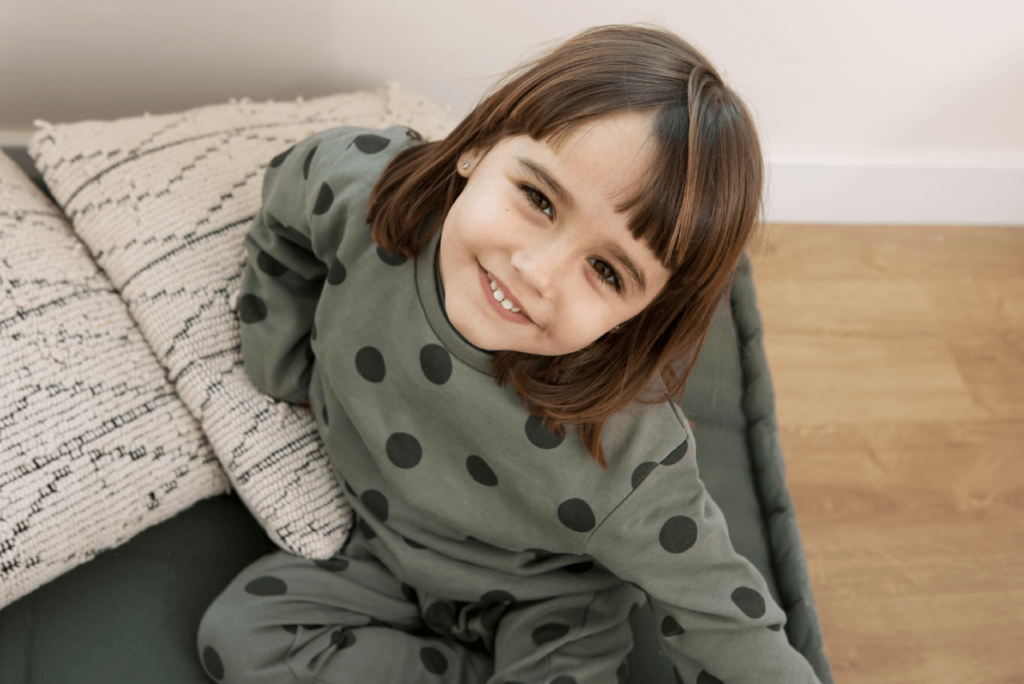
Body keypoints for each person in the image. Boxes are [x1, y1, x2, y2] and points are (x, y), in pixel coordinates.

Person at [197, 24, 823, 684]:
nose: (537, 270)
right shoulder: (358, 192)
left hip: (549, 605)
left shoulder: (631, 451)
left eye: (607, 272)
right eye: (538, 199)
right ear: (478, 146)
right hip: (383, 551)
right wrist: (278, 363)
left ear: (642, 317)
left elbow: (725, 620)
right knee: (239, 637)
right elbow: (282, 217)